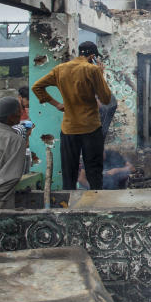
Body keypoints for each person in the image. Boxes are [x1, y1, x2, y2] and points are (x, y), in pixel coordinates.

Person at [32, 41, 113, 191]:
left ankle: (68, 207)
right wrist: (101, 75)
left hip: (69, 129)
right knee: (94, 172)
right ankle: (96, 206)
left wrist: (57, 104)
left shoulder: (59, 69)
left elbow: (37, 87)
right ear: (93, 56)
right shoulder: (92, 70)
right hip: (91, 128)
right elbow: (106, 98)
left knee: (69, 173)